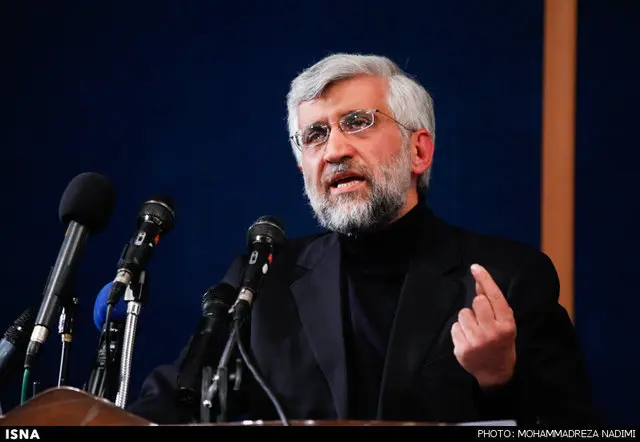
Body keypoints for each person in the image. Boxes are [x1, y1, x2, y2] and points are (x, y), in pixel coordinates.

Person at [126, 53, 598, 426]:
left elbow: (574, 427)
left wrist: (501, 379)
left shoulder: (509, 279)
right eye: (315, 134)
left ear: (419, 150)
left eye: (357, 122)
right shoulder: (262, 281)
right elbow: (171, 401)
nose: (334, 150)